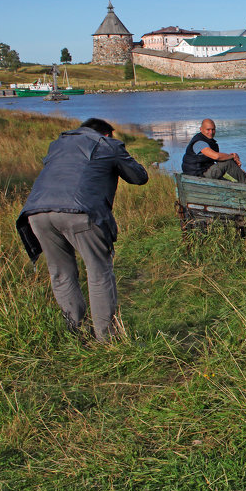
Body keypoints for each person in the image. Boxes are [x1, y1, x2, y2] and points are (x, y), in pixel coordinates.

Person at [17, 118, 149, 343]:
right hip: (81, 212)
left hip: (36, 213)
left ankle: (74, 332)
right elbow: (139, 177)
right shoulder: (107, 144)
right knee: (99, 271)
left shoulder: (57, 146)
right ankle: (106, 339)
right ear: (107, 134)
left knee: (61, 273)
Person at [181, 118, 246, 184]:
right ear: (201, 129)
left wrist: (234, 162)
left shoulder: (210, 142)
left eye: (213, 129)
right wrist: (232, 156)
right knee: (227, 162)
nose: (211, 132)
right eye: (208, 129)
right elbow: (216, 156)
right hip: (197, 176)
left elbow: (219, 159)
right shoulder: (199, 143)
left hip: (202, 172)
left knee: (229, 182)